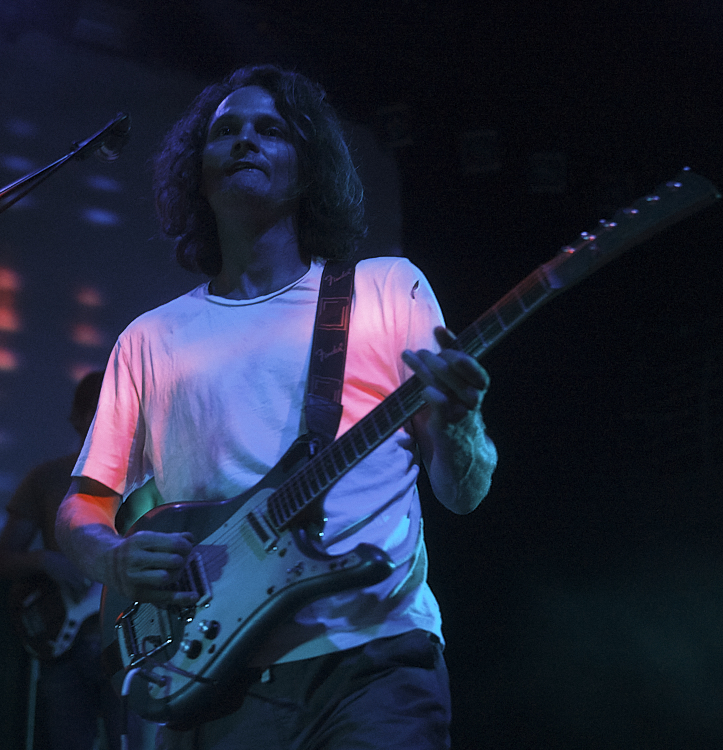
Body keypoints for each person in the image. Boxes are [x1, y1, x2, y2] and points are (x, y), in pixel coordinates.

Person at [55, 64, 497, 749]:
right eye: (225, 131)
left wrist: (461, 419)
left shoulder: (387, 291)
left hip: (373, 662)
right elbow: (81, 506)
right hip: (210, 678)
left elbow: (462, 494)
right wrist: (113, 559)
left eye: (270, 129)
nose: (246, 140)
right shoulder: (151, 338)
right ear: (197, 173)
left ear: (307, 165)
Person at [0, 371, 138, 750]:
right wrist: (47, 560)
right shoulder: (47, 477)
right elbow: (3, 560)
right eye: (99, 413)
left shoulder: (147, 480)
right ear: (77, 418)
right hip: (67, 645)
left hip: (130, 642)